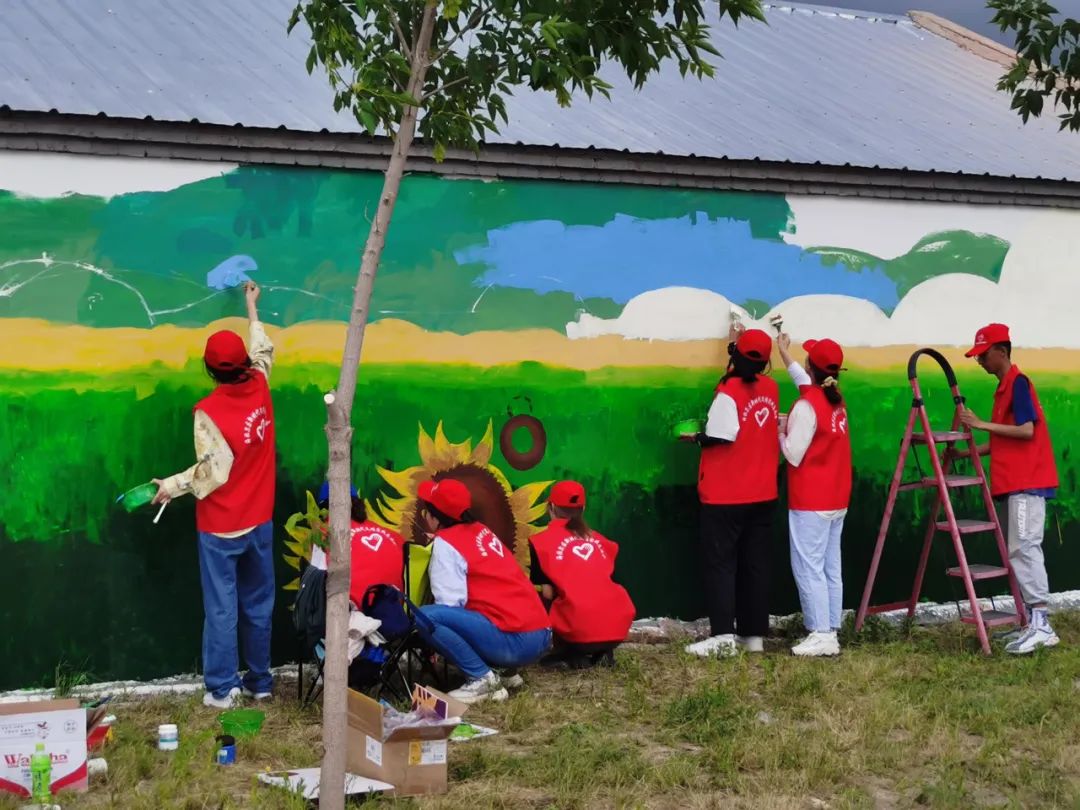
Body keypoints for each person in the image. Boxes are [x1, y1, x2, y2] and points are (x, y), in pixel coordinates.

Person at [153, 282, 277, 709]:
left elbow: (213, 471)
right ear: (243, 362)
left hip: (222, 527)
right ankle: (261, 681)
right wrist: (251, 306)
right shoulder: (260, 384)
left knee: (222, 609)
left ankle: (223, 690)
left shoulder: (210, 411)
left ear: (210, 371)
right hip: (260, 520)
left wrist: (170, 487)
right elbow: (264, 350)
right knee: (259, 604)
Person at [959, 323, 1060, 655]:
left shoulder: (1018, 383)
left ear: (1001, 351)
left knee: (1024, 548)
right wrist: (968, 450)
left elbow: (1027, 430)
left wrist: (980, 425)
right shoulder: (1004, 387)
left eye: (984, 355)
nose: (981, 362)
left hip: (1026, 482)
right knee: (1019, 549)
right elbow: (1006, 437)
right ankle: (1031, 621)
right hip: (1015, 482)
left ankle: (1042, 624)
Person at [681, 322, 780, 658]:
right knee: (755, 565)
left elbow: (723, 436)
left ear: (735, 356)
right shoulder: (772, 388)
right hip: (763, 493)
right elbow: (748, 378)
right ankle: (754, 638)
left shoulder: (728, 393)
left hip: (726, 495)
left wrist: (695, 438)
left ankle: (723, 634)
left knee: (721, 564)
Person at [415, 478, 551, 703]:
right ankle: (506, 672)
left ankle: (482, 679)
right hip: (541, 634)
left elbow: (449, 605)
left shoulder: (446, 544)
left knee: (427, 617)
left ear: (434, 517)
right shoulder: (481, 530)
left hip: (516, 643)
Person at [777, 334, 851, 657]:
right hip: (837, 499)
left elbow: (793, 454)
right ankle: (831, 629)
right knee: (831, 568)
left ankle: (819, 634)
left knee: (808, 567)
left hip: (812, 500)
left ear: (812, 367)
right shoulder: (834, 398)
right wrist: (784, 353)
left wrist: (780, 430)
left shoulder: (807, 406)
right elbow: (803, 382)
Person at [529, 481, 636, 668]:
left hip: (577, 632)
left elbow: (547, 593)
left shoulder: (541, 543)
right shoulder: (602, 541)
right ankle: (604, 652)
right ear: (584, 508)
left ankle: (568, 654)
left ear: (550, 507)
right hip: (617, 630)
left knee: (542, 596)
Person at [312, 482, 405, 608]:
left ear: (324, 508)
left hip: (349, 615)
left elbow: (315, 583)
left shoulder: (324, 534)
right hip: (393, 614)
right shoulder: (394, 536)